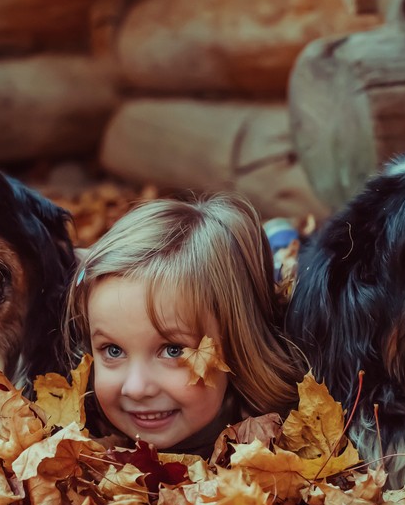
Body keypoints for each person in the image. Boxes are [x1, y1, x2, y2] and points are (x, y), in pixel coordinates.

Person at [66, 196, 304, 458]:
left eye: (172, 350)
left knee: (284, 272)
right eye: (113, 350)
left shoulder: (295, 415)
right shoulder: (80, 419)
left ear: (238, 345)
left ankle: (279, 243)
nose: (135, 388)